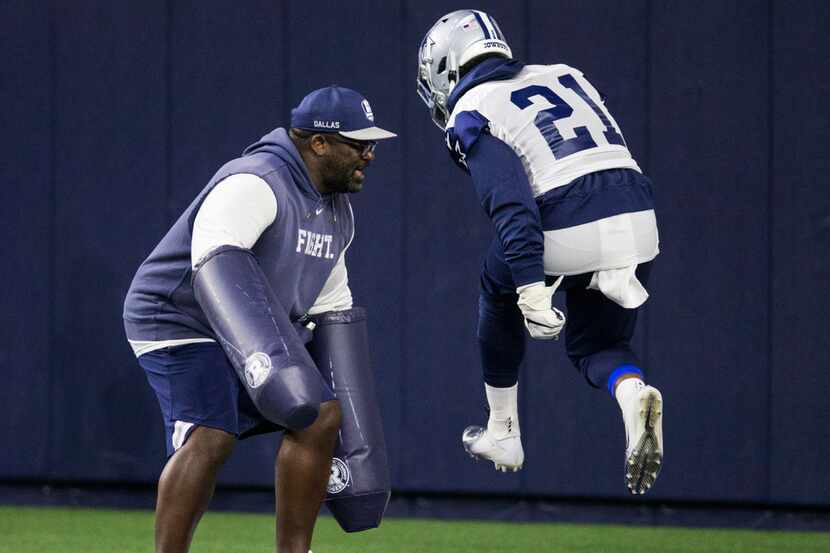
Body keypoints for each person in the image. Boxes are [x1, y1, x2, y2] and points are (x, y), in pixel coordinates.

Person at [123, 85, 396, 553]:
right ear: (319, 143)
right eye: (359, 143)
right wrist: (267, 362)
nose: (369, 155)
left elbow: (333, 307)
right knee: (212, 434)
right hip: (177, 319)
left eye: (372, 144)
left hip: (251, 328)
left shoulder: (338, 215)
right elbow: (213, 261)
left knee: (318, 417)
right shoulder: (257, 181)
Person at [416, 10, 663, 494]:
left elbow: (511, 203)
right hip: (639, 214)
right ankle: (634, 393)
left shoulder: (473, 107)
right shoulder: (566, 76)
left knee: (497, 283)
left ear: (446, 68)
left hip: (567, 216)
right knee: (597, 345)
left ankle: (503, 430)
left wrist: (529, 287)